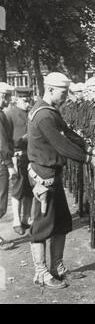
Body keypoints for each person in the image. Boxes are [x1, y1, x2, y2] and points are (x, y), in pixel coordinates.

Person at [27, 72, 95, 289]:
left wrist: (90, 148)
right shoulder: (44, 115)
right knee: (42, 226)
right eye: (63, 92)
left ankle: (57, 266)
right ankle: (41, 272)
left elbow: (68, 133)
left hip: (51, 174)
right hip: (43, 176)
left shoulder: (50, 111)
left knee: (62, 223)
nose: (66, 96)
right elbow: (61, 145)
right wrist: (89, 159)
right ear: (50, 89)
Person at [6, 87, 34, 236]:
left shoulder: (31, 114)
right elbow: (4, 140)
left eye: (28, 99)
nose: (27, 102)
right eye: (24, 99)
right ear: (16, 99)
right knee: (17, 189)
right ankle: (16, 220)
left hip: (31, 156)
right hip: (16, 156)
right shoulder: (9, 115)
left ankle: (26, 218)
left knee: (29, 188)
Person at [0, 83, 17, 250]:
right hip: (1, 163)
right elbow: (2, 143)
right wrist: (9, 164)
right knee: (0, 202)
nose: (9, 100)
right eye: (7, 96)